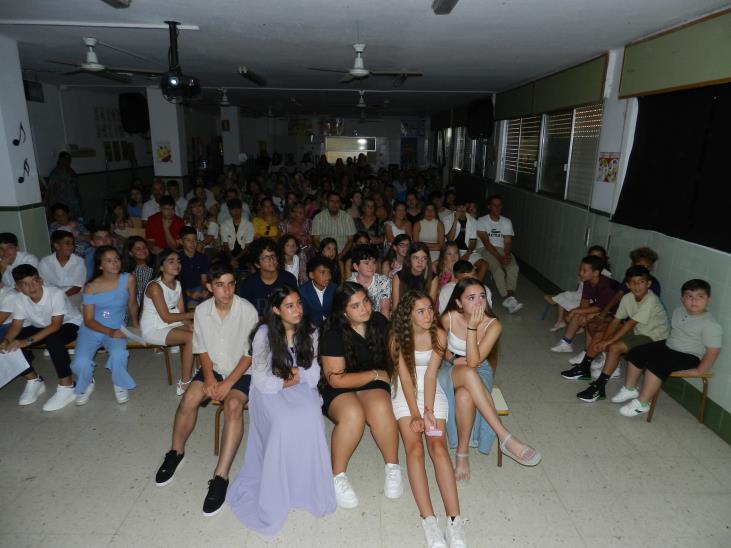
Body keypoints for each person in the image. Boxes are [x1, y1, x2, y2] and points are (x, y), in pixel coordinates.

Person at [228, 286, 336, 533]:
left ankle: (305, 484)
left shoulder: (310, 330)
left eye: (299, 303)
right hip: (268, 391)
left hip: (300, 386)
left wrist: (293, 376)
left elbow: (313, 373)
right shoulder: (264, 334)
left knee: (311, 414)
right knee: (283, 419)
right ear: (276, 310)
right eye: (289, 306)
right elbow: (262, 379)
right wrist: (292, 377)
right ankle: (277, 481)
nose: (297, 310)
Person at [154, 263, 259, 517]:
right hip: (214, 367)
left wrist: (227, 383)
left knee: (233, 406)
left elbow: (250, 355)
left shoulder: (247, 310)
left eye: (231, 284)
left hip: (242, 371)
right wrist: (210, 378)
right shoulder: (201, 310)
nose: (227, 290)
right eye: (220, 285)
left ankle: (220, 476)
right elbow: (201, 347)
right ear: (210, 287)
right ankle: (175, 452)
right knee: (188, 399)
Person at [440, 277, 541, 481]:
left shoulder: (493, 325)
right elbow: (437, 346)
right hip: (450, 369)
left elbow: (474, 362)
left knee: (464, 395)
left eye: (482, 297)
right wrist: (451, 358)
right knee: (467, 373)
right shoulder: (449, 318)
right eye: (471, 298)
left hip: (479, 369)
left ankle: (462, 455)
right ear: (458, 302)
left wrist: (472, 328)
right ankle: (505, 437)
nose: (478, 302)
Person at [389, 291, 467, 548]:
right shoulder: (397, 338)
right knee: (415, 449)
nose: (428, 315)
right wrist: (415, 414)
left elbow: (431, 375)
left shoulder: (439, 335)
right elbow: (405, 378)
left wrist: (428, 411)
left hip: (431, 393)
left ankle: (455, 521)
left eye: (430, 309)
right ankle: (429, 521)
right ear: (408, 315)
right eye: (420, 311)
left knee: (438, 447)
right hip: (405, 394)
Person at [319, 282, 403, 509]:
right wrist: (376, 374)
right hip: (340, 384)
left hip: (370, 381)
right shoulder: (333, 331)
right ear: (344, 312)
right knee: (353, 415)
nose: (364, 308)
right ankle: (337, 476)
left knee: (382, 409)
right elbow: (336, 379)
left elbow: (396, 355)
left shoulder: (379, 321)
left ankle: (393, 467)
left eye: (365, 301)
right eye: (355, 305)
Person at [613, 279, 722, 417]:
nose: (694, 301)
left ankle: (643, 403)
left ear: (708, 300)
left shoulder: (710, 325)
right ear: (682, 299)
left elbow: (713, 351)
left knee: (656, 364)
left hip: (689, 355)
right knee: (636, 351)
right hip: (670, 346)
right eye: (689, 296)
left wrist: (700, 370)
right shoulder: (679, 311)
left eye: (700, 297)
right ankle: (630, 389)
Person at [572, 266, 670, 403]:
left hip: (655, 339)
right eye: (633, 282)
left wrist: (607, 342)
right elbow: (616, 320)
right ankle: (584, 368)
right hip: (638, 331)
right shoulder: (627, 298)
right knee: (600, 335)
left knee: (614, 347)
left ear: (648, 284)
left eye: (641, 282)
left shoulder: (651, 300)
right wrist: (603, 339)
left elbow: (630, 324)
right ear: (628, 285)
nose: (637, 286)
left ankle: (599, 387)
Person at [0, 264, 82, 411]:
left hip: (69, 325)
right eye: (25, 284)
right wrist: (6, 340)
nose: (32, 287)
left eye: (35, 281)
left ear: (41, 280)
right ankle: (34, 380)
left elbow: (55, 325)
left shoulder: (55, 294)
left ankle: (68, 386)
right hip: (42, 326)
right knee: (8, 343)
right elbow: (16, 325)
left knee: (53, 339)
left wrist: (27, 341)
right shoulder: (19, 298)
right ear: (18, 287)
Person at [70, 246, 139, 405]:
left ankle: (119, 383)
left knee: (119, 354)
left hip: (117, 327)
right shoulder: (91, 287)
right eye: (109, 260)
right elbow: (88, 320)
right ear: (100, 265)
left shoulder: (128, 279)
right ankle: (87, 382)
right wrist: (110, 331)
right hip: (92, 328)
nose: (115, 263)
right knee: (80, 361)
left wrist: (136, 325)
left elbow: (133, 304)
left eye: (116, 259)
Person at [140, 249, 195, 395]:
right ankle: (185, 382)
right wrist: (193, 314)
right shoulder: (155, 286)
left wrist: (191, 324)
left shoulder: (177, 284)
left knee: (199, 331)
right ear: (161, 267)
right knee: (191, 338)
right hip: (154, 327)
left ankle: (200, 371)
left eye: (178, 261)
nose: (177, 264)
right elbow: (166, 317)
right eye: (171, 261)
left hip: (170, 322)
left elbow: (181, 313)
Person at [550, 255, 619, 353]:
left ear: (595, 273)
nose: (580, 273)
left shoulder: (606, 285)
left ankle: (587, 352)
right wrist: (581, 313)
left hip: (615, 312)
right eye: (580, 269)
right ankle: (566, 343)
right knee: (579, 315)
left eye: (584, 270)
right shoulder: (588, 281)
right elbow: (585, 301)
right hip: (600, 308)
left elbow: (599, 308)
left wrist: (576, 311)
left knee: (586, 317)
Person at [545, 246, 611, 332]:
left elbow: (598, 302)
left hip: (592, 299)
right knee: (564, 295)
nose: (594, 258)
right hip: (582, 294)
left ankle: (577, 325)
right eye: (591, 256)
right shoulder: (586, 268)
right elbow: (581, 286)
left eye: (597, 256)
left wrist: (577, 310)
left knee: (575, 307)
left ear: (604, 259)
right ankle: (560, 321)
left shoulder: (604, 275)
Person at [476, 195, 523, 314]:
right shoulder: (481, 220)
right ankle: (507, 298)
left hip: (502, 249)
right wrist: (499, 257)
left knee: (513, 267)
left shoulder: (506, 221)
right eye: (494, 205)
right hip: (484, 249)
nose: (497, 208)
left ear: (502, 207)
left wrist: (506, 255)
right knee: (498, 270)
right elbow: (486, 243)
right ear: (489, 207)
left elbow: (508, 242)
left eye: (499, 205)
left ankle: (510, 298)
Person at [237, 238, 298, 317]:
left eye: (273, 256)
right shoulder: (249, 284)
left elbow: (294, 308)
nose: (271, 260)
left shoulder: (289, 279)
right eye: (266, 257)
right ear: (257, 264)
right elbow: (245, 314)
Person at [38, 230, 86, 307]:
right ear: (57, 246)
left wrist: (60, 297)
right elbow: (43, 284)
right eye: (67, 243)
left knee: (66, 306)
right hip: (51, 294)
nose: (71, 246)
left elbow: (77, 286)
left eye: (73, 244)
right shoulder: (45, 262)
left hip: (73, 294)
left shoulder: (79, 261)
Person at [347, 244, 392, 318]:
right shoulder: (349, 285)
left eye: (373, 262)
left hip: (379, 321)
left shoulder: (383, 281)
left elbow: (384, 308)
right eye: (366, 263)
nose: (371, 266)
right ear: (356, 266)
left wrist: (383, 324)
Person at [311, 192, 357, 261]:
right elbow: (316, 239)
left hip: (343, 254)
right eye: (332, 201)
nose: (335, 204)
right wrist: (325, 253)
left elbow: (350, 240)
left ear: (340, 203)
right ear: (327, 202)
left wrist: (341, 255)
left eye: (337, 201)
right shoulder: (318, 218)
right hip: (323, 254)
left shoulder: (347, 218)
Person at [278, 202, 314, 284]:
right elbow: (281, 241)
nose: (303, 216)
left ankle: (305, 282)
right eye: (300, 213)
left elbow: (311, 240)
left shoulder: (308, 223)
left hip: (307, 252)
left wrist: (308, 239)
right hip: (290, 252)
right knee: (299, 255)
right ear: (293, 214)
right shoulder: (285, 225)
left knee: (302, 254)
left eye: (304, 213)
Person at [392, 242, 435, 309]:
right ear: (409, 259)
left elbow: (430, 306)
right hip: (403, 313)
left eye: (424, 258)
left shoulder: (433, 277)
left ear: (427, 260)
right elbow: (395, 306)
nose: (420, 262)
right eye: (416, 258)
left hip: (424, 312)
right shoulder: (398, 277)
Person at [178, 227, 210, 309]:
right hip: (182, 292)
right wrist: (189, 293)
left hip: (199, 290)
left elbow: (204, 280)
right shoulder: (177, 258)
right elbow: (175, 284)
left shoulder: (202, 257)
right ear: (181, 242)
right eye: (188, 240)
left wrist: (205, 290)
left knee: (210, 305)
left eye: (194, 240)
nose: (192, 243)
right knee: (194, 309)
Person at [299, 256, 335, 328]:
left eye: (329, 272)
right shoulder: (302, 292)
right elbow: (303, 317)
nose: (328, 276)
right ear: (311, 275)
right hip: (310, 328)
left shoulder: (335, 289)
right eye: (322, 272)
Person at [219, 198, 254, 271]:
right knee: (222, 256)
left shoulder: (248, 225)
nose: (235, 211)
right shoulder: (224, 225)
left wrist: (235, 259)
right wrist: (232, 258)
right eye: (233, 209)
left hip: (243, 252)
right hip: (229, 253)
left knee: (249, 256)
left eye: (238, 208)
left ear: (241, 209)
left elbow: (247, 247)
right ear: (229, 211)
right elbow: (225, 245)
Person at [45, 151, 82, 218]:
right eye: (66, 159)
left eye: (69, 159)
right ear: (60, 160)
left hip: (75, 205)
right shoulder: (55, 173)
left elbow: (76, 188)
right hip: (63, 206)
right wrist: (50, 207)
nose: (68, 161)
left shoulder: (71, 171)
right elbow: (50, 191)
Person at [124, 236, 153, 307]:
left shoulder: (155, 268)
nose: (142, 250)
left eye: (144, 247)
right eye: (138, 249)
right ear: (130, 253)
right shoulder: (126, 272)